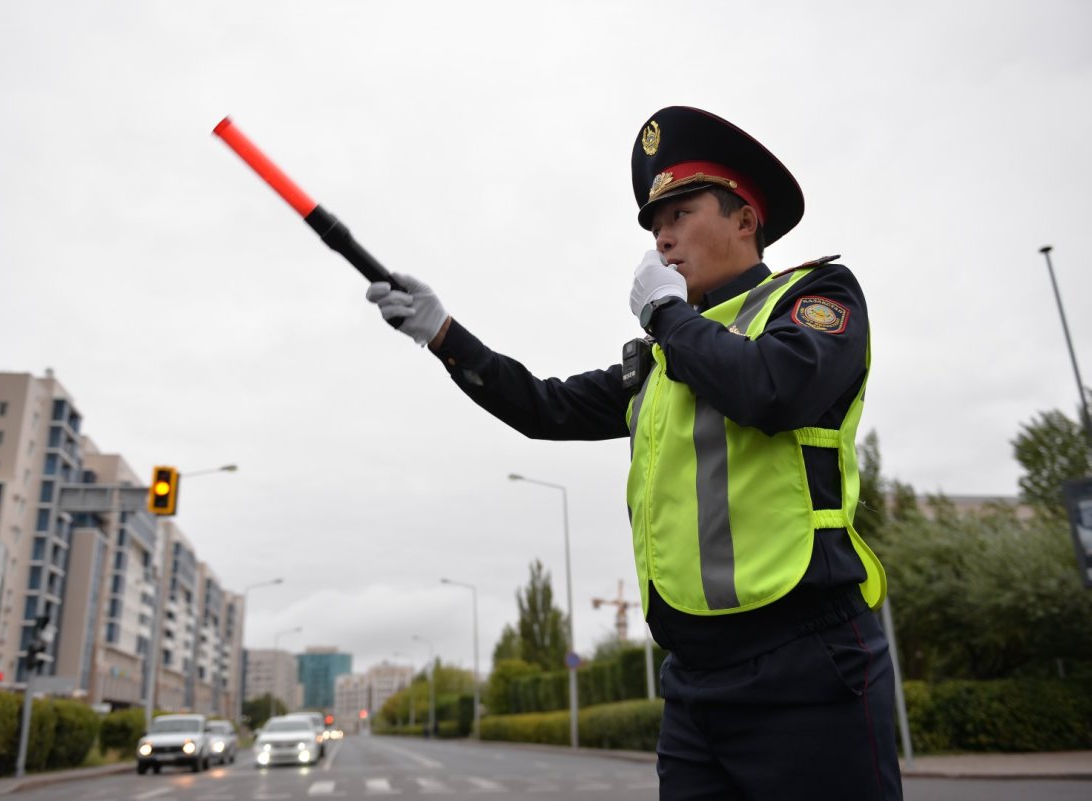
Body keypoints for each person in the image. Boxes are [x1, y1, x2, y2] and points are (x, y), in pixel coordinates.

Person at [366, 106, 902, 801]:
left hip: (805, 664)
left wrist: (667, 315)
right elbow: (541, 406)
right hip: (693, 682)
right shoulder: (658, 360)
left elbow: (772, 389)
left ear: (745, 219)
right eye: (654, 225)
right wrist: (442, 332)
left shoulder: (813, 297)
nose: (663, 238)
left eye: (680, 213)